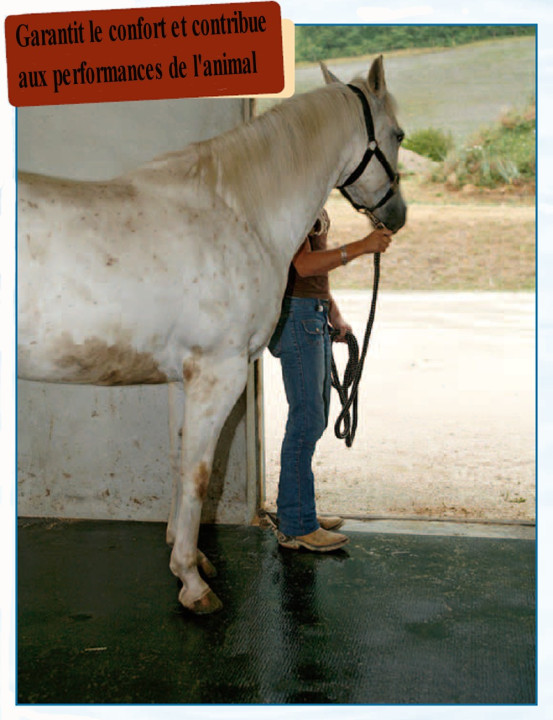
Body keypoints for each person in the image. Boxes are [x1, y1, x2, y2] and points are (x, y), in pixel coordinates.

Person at [268, 208, 393, 552]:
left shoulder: (312, 198)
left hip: (311, 312)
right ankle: (297, 524)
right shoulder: (294, 198)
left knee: (315, 418)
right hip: (296, 315)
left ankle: (297, 510)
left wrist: (331, 309)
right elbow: (303, 266)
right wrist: (362, 246)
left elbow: (312, 270)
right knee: (306, 420)